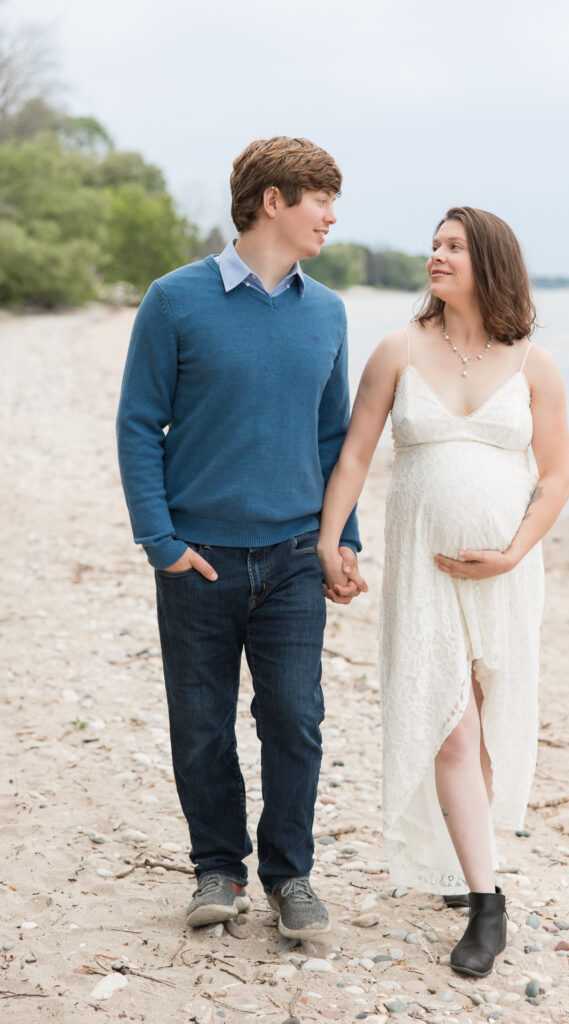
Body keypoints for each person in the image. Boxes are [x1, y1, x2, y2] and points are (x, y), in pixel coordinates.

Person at [116, 137, 366, 939]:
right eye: (318, 198)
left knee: (294, 717)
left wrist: (343, 538)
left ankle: (289, 877)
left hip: (295, 556)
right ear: (272, 201)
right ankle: (215, 868)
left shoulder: (326, 312)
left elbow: (334, 440)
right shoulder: (174, 300)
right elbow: (136, 424)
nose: (330, 213)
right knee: (201, 722)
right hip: (198, 559)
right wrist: (159, 540)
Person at [318, 206, 569, 977]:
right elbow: (356, 454)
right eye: (433, 244)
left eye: (453, 247)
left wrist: (511, 552)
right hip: (423, 574)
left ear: (489, 262)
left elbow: (557, 477)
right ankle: (488, 908)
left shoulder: (533, 363)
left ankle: (469, 865)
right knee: (450, 726)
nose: (435, 255)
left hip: (507, 573)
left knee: (490, 726)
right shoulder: (397, 350)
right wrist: (331, 539)